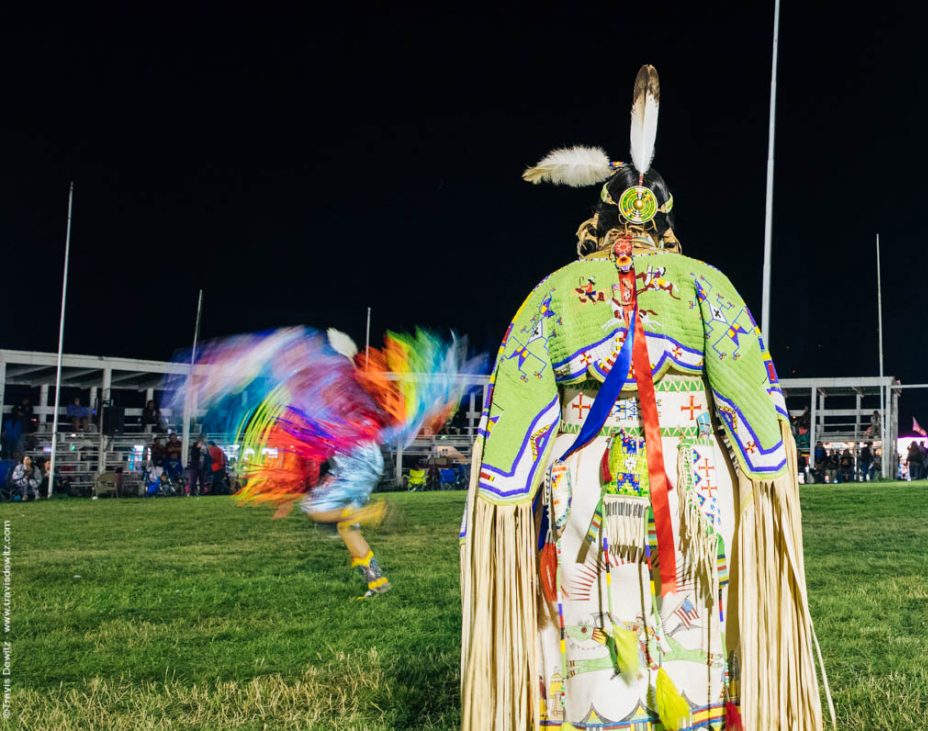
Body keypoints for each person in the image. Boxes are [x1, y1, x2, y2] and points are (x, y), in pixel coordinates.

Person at [459, 67, 831, 731]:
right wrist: (767, 476)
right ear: (667, 223)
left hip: (586, 486)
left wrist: (502, 502)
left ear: (597, 220)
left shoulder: (554, 292)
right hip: (695, 493)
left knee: (591, 628)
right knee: (695, 632)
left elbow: (510, 439)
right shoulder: (706, 284)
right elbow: (759, 423)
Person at [172, 327, 480, 600]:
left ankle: (373, 512)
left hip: (356, 457)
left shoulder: (322, 388)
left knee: (316, 509)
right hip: (362, 457)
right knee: (346, 526)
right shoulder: (346, 386)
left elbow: (310, 439)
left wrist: (292, 491)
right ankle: (377, 581)